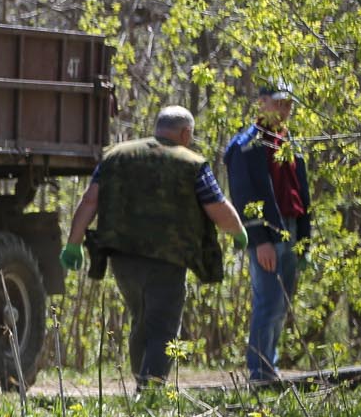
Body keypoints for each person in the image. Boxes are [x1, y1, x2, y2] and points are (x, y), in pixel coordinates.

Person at [60, 106, 248, 387]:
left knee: (141, 318)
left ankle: (142, 382)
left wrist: (73, 244)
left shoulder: (117, 156)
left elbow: (90, 200)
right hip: (167, 259)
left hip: (123, 258)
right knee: (163, 325)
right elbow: (217, 206)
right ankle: (149, 391)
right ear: (185, 133)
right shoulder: (191, 162)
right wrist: (238, 232)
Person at [222, 82, 312, 385]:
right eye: (279, 103)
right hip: (267, 234)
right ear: (262, 103)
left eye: (289, 104)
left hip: (292, 229)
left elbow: (302, 193)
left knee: (282, 302)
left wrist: (306, 243)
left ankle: (269, 366)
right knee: (269, 300)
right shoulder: (246, 145)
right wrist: (260, 240)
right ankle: (260, 372)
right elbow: (245, 196)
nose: (285, 110)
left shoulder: (289, 143)